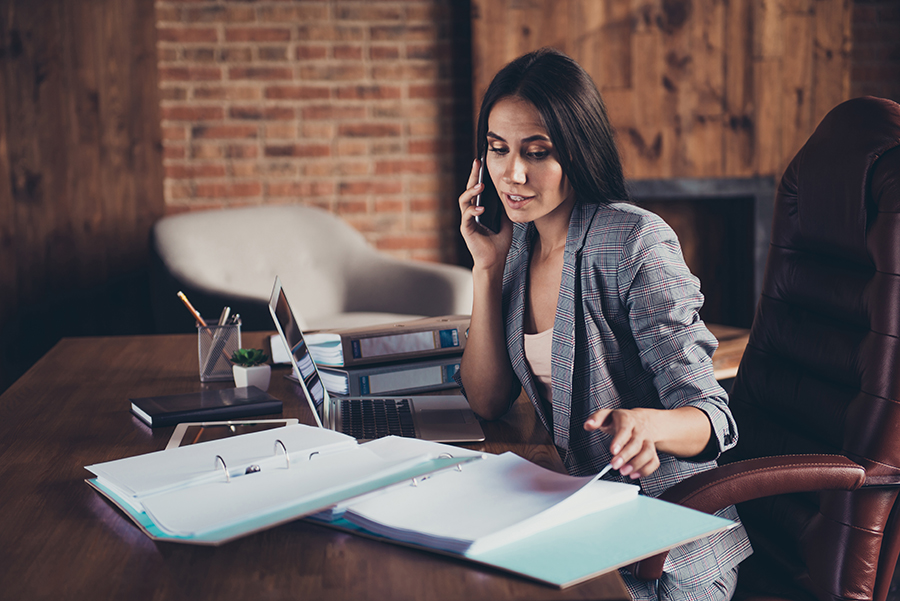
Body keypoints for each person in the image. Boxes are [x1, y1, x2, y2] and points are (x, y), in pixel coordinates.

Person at [455, 47, 752, 601]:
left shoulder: (635, 242)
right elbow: (488, 398)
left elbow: (714, 418)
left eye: (537, 153)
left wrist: (651, 426)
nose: (512, 174)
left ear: (577, 150)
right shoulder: (519, 242)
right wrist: (486, 268)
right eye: (498, 150)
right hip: (582, 517)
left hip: (664, 548)